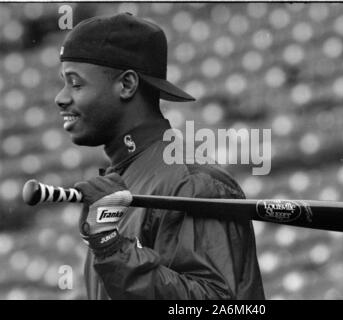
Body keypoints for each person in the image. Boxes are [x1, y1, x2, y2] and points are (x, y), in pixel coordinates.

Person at [54, 12, 265, 300]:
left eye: (75, 83)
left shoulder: (193, 183)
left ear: (127, 84)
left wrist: (111, 247)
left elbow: (222, 304)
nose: (61, 97)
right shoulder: (124, 178)